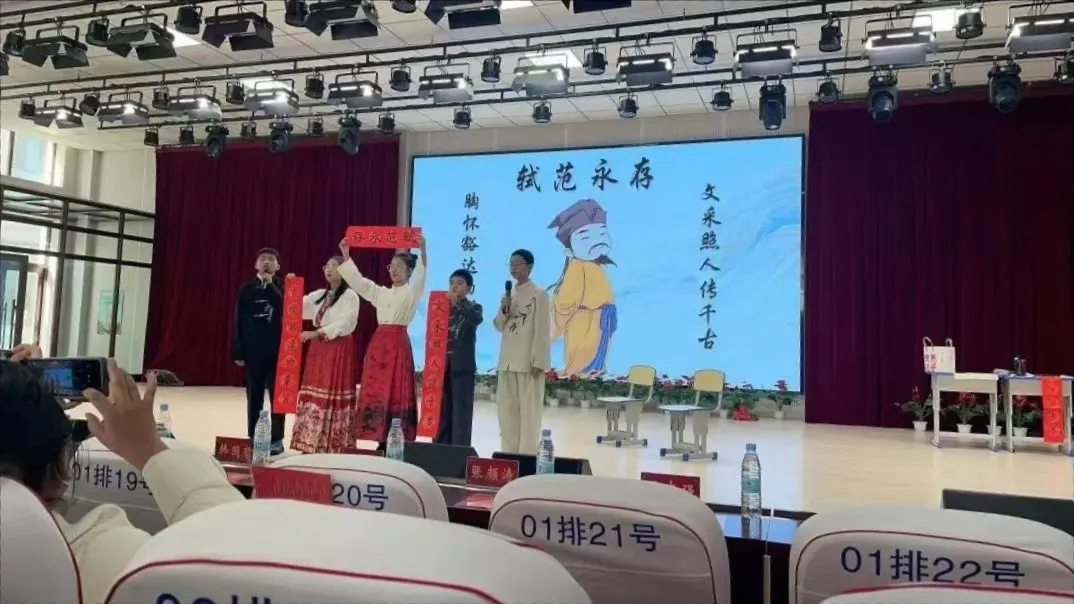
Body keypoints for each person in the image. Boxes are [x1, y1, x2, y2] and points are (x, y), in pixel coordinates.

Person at [0, 343, 243, 604]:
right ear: (60, 463)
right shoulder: (108, 562)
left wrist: (15, 397)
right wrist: (149, 449)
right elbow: (243, 557)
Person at [337, 236, 427, 449]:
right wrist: (346, 255)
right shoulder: (381, 292)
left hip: (397, 344)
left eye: (399, 267)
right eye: (391, 266)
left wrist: (423, 250)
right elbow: (360, 283)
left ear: (409, 271)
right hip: (379, 345)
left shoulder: (412, 292)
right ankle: (378, 435)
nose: (393, 270)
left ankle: (395, 436)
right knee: (376, 387)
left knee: (396, 389)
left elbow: (422, 274)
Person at [290, 257, 362, 453]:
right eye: (326, 266)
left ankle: (333, 444)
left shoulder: (350, 296)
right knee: (315, 391)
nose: (328, 269)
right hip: (319, 349)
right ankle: (310, 441)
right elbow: (296, 305)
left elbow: (344, 323)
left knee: (333, 393)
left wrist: (316, 333)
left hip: (338, 347)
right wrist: (290, 286)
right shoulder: (320, 294)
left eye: (334, 266)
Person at [547, 199, 617, 376]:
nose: (597, 241)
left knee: (596, 361)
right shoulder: (577, 267)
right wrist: (553, 325)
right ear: (569, 251)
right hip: (583, 322)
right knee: (582, 360)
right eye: (586, 237)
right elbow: (566, 301)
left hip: (601, 321)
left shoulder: (595, 265)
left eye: (602, 233)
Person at [493, 249, 551, 454]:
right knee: (507, 413)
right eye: (511, 264)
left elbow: (542, 329)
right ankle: (508, 455)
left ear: (530, 267)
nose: (513, 268)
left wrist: (539, 361)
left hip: (528, 363)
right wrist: (503, 309)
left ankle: (527, 457)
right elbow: (499, 325)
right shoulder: (509, 295)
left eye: (518, 263)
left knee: (528, 415)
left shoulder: (539, 294)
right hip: (507, 362)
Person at [232, 247, 286, 455]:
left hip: (278, 352)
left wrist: (270, 285)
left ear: (277, 266)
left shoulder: (284, 287)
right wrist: (238, 351)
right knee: (253, 395)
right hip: (253, 351)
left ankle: (277, 438)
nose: (266, 262)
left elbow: (284, 309)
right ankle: (254, 435)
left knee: (278, 396)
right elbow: (238, 320)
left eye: (271, 259)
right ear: (256, 264)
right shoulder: (246, 289)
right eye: (263, 259)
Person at [436, 268, 483, 447]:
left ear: (469, 288)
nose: (454, 287)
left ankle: (459, 451)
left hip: (463, 368)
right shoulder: (441, 308)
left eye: (459, 283)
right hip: (442, 368)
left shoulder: (474, 307)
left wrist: (458, 303)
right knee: (442, 414)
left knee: (461, 415)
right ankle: (439, 449)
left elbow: (475, 319)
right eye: (451, 283)